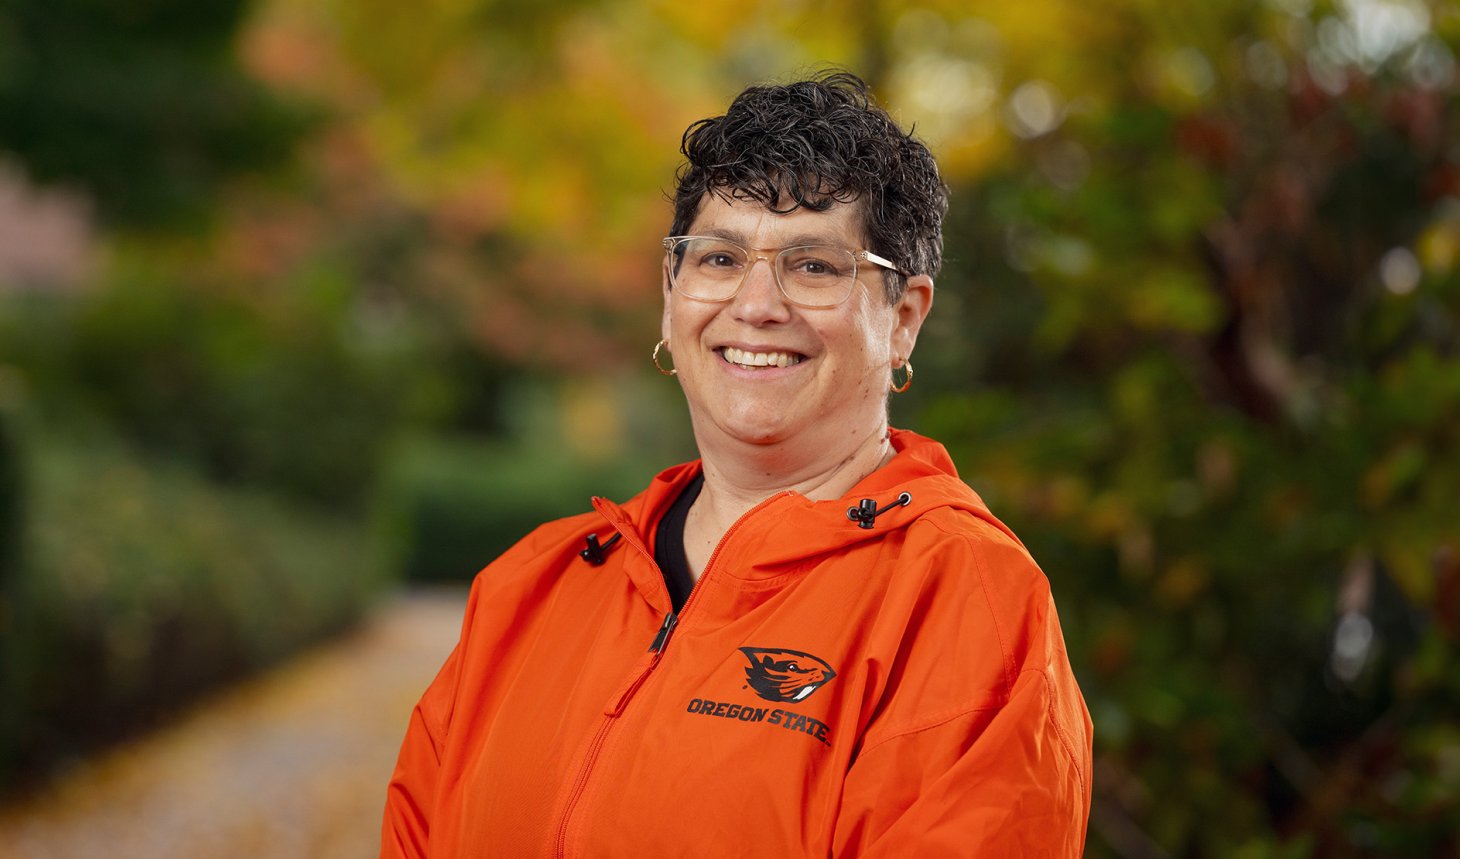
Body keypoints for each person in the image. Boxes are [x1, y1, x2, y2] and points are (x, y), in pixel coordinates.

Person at [382, 71, 1092, 857]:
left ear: (903, 319)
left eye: (814, 265)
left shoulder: (966, 601)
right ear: (670, 293)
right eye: (719, 258)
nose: (757, 304)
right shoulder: (529, 587)